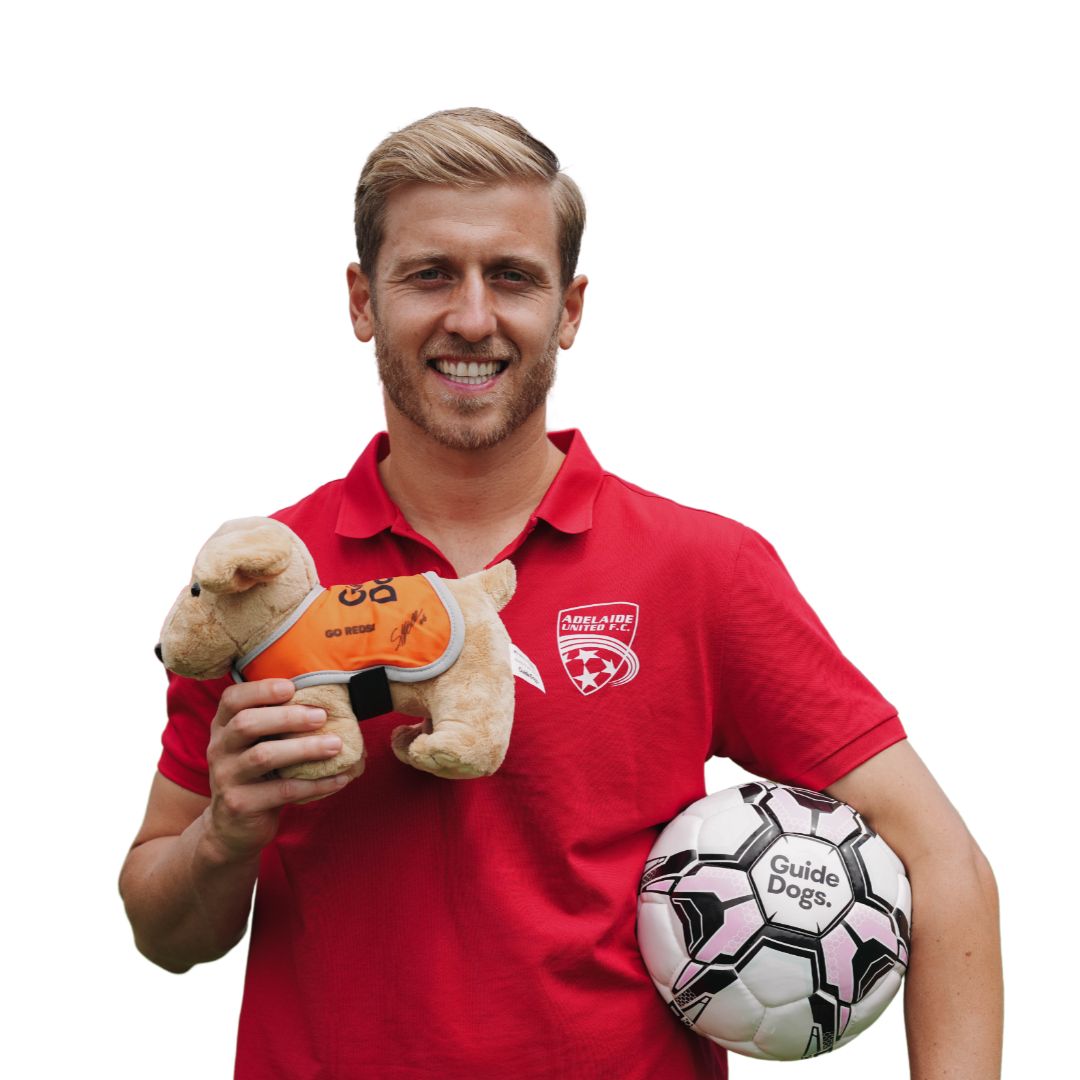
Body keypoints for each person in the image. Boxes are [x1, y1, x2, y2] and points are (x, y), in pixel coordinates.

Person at [120, 108, 1002, 1079]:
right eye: (428, 274)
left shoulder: (699, 568)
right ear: (361, 300)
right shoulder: (266, 583)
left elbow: (946, 864)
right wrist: (222, 839)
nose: (470, 316)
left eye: (511, 277)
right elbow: (165, 929)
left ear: (570, 309)